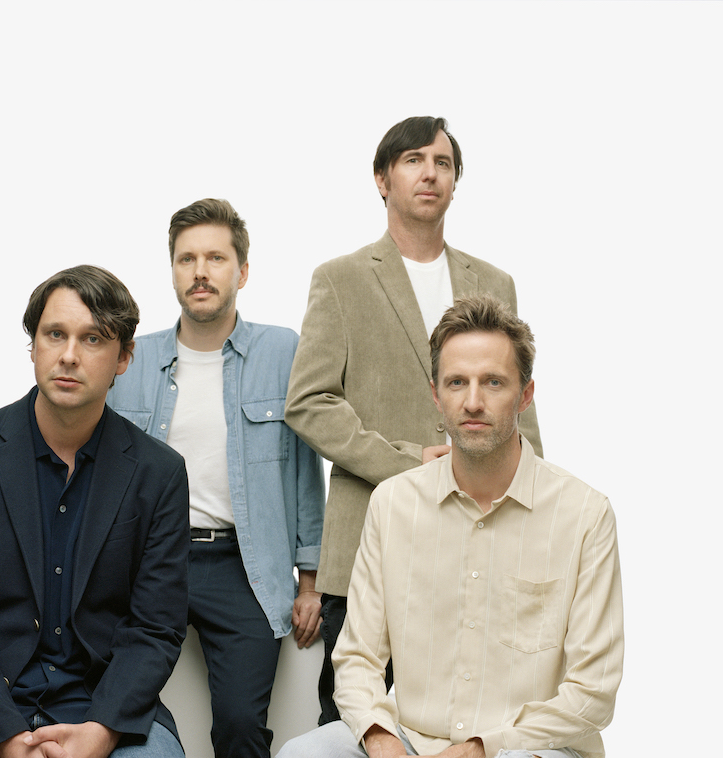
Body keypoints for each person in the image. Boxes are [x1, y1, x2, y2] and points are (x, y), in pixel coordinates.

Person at [278, 294, 623, 758]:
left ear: (525, 394)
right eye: (457, 382)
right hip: (411, 739)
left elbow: (593, 692)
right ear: (436, 395)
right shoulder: (393, 504)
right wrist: (379, 738)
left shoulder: (584, 515)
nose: (473, 402)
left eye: (493, 382)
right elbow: (358, 658)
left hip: (528, 748)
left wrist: (480, 748)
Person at [284, 115, 544, 723]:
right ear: (382, 180)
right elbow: (308, 401)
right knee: (352, 721)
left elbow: (517, 402)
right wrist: (411, 462)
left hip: (481, 538)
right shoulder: (341, 279)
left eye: (443, 163)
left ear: (455, 183)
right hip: (370, 537)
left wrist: (538, 504)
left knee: (481, 717)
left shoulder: (494, 282)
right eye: (413, 160)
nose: (430, 173)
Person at [0, 265, 191, 758]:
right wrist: (5, 736)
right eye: (55, 334)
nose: (69, 355)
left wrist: (101, 731)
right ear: (33, 346)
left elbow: (156, 628)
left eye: (93, 339)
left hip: (101, 703)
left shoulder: (159, 473)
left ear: (124, 357)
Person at [107, 198, 325, 758]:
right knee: (108, 705)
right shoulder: (131, 360)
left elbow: (306, 467)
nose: (200, 272)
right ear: (172, 271)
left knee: (240, 725)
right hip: (150, 561)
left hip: (243, 567)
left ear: (242, 272)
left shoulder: (281, 350)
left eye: (215, 258)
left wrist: (309, 582)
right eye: (187, 259)